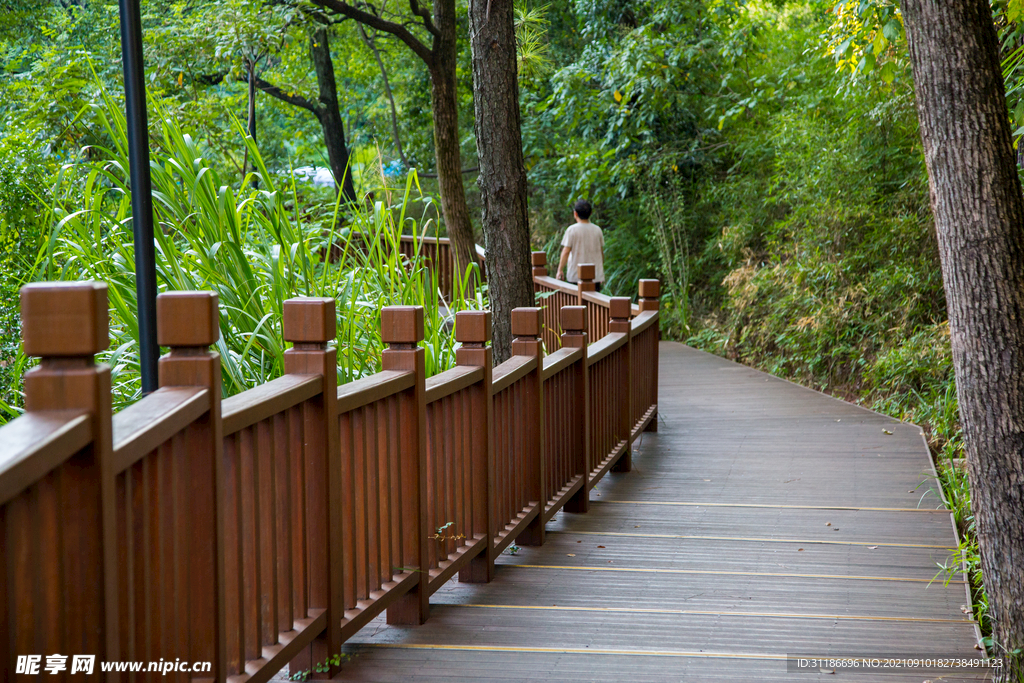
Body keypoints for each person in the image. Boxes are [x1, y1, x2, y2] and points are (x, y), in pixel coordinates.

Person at [555, 199, 605, 292]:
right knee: (593, 303)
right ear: (591, 213)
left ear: (575, 214)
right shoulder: (597, 230)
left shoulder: (572, 230)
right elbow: (601, 253)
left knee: (576, 304)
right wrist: (600, 272)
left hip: (575, 275)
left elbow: (566, 251)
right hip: (594, 275)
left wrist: (560, 270)